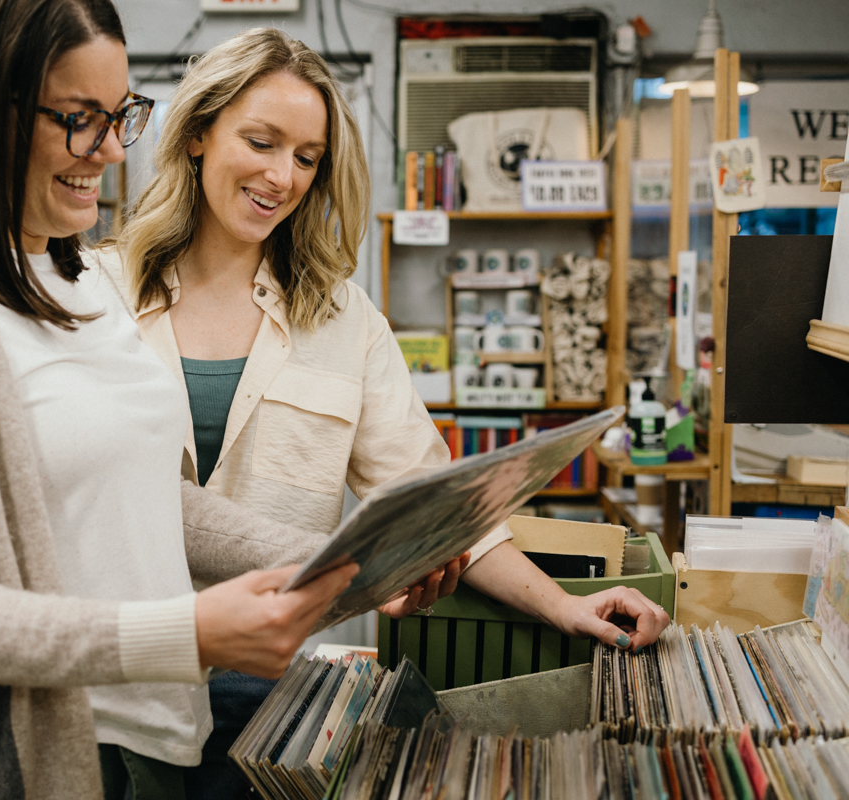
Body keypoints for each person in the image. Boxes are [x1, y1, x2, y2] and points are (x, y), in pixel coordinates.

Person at [0, 3, 368, 799]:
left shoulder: (74, 280)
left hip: (158, 742)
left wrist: (336, 561)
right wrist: (184, 633)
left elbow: (145, 497)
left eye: (120, 117)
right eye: (80, 120)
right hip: (39, 761)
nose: (111, 150)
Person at [107, 28, 672, 797]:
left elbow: (442, 504)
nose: (283, 175)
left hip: (261, 696)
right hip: (107, 684)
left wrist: (564, 604)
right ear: (199, 132)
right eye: (263, 141)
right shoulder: (95, 295)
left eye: (307, 158)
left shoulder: (344, 321)